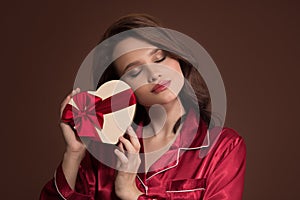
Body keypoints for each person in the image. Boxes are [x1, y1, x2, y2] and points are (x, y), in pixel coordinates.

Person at [40, 13, 246, 200]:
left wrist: (130, 192)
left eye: (160, 58)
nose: (154, 74)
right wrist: (73, 154)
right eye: (135, 72)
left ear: (177, 58)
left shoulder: (223, 147)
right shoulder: (104, 151)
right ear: (121, 87)